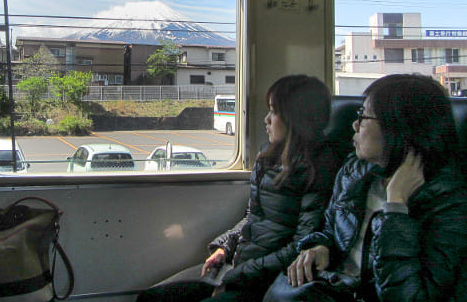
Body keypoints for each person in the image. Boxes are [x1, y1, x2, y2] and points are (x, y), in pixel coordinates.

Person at [263, 73, 467, 302]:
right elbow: (332, 230)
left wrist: (396, 207)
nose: (354, 124)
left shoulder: (448, 203)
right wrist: (321, 246)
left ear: (397, 127)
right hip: (335, 287)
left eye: (364, 116)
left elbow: (411, 296)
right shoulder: (355, 172)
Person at [136, 75, 337, 302]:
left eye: (274, 111)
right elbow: (252, 216)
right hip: (241, 262)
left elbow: (301, 244)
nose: (266, 119)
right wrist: (224, 247)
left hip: (265, 276)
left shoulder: (318, 169)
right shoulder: (268, 158)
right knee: (151, 298)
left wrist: (241, 273)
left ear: (296, 117)